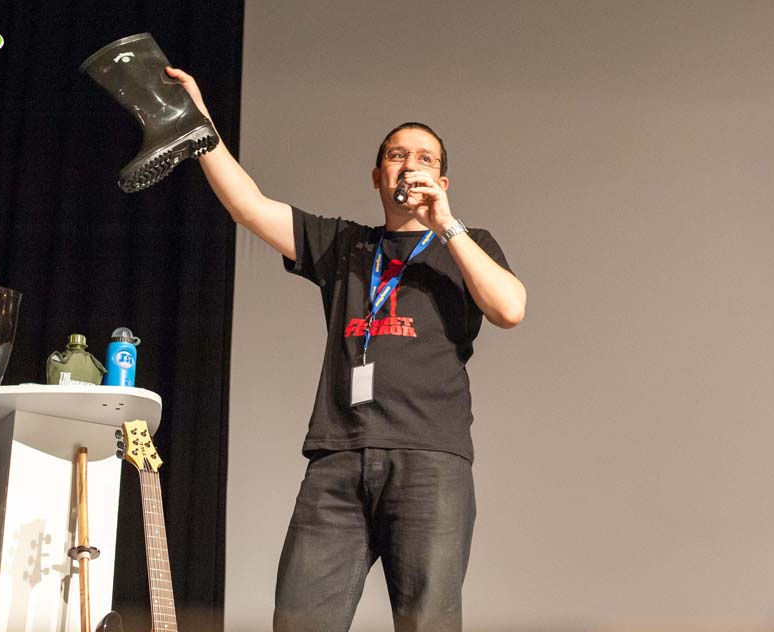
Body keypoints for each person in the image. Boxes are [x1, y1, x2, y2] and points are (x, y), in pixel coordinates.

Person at [166, 67, 527, 632]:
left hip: (429, 460)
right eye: (397, 155)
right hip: (337, 457)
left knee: (428, 622)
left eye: (425, 158)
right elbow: (248, 207)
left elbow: (509, 309)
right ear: (377, 176)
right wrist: (198, 118)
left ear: (443, 180)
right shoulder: (345, 244)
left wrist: (446, 225)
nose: (410, 165)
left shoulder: (469, 244)